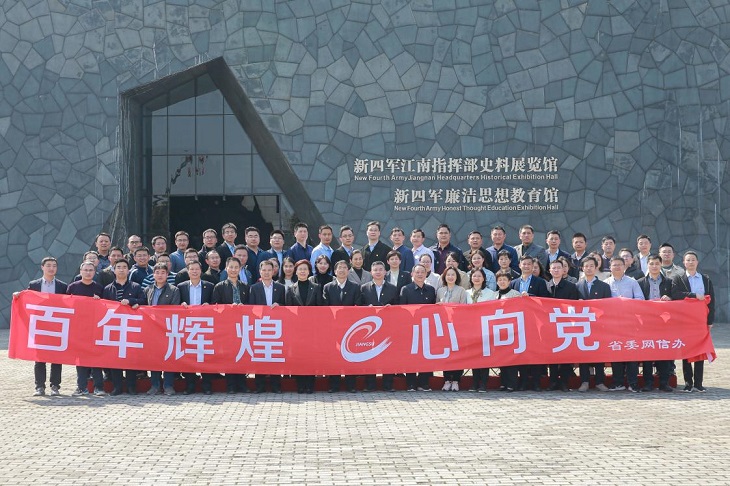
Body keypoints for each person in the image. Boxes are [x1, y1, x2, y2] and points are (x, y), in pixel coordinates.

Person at [14, 257, 68, 396]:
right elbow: (27, 299)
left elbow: (68, 304)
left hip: (56, 325)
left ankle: (55, 386)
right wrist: (18, 296)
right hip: (39, 325)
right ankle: (39, 387)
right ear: (42, 267)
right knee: (40, 358)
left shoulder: (62, 286)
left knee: (57, 357)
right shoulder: (34, 285)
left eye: (54, 266)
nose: (51, 268)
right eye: (48, 265)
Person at [671, 250, 715, 393]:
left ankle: (698, 383)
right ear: (684, 263)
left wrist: (710, 320)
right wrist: (694, 295)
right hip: (685, 321)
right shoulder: (679, 278)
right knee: (687, 351)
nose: (690, 262)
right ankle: (688, 383)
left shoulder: (705, 279)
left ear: (697, 262)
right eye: (688, 260)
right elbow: (675, 294)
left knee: (700, 351)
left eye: (693, 260)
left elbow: (712, 301)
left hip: (701, 321)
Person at [102, 258, 147, 395]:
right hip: (114, 328)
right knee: (115, 359)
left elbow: (144, 301)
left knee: (130, 358)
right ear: (114, 270)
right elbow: (103, 306)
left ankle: (131, 387)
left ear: (128, 270)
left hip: (131, 328)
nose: (121, 270)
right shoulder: (108, 289)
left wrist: (132, 301)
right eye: (118, 267)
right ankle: (117, 387)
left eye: (124, 267)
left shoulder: (136, 287)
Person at [605, 256, 645, 392]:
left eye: (619, 265)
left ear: (624, 267)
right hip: (612, 324)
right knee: (615, 352)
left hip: (630, 323)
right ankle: (618, 382)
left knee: (631, 352)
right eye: (614, 265)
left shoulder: (632, 282)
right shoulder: (605, 283)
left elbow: (640, 299)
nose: (617, 267)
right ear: (610, 267)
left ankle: (633, 382)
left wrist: (625, 302)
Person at [323, 260, 363, 393]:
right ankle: (334, 385)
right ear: (334, 271)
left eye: (344, 268)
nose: (341, 270)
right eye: (339, 268)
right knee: (334, 356)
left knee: (350, 354)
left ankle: (351, 385)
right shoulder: (328, 287)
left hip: (350, 327)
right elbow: (325, 308)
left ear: (348, 270)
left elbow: (358, 305)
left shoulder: (355, 287)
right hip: (333, 327)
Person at [67, 261, 106, 397]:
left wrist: (99, 302)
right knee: (81, 360)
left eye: (91, 270)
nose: (88, 272)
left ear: (94, 272)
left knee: (96, 359)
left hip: (95, 328)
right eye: (85, 270)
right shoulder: (73, 287)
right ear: (81, 271)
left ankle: (99, 387)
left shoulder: (99, 288)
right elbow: (67, 306)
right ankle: (81, 387)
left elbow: (106, 308)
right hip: (79, 329)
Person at [510, 256, 549, 391]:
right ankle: (523, 381)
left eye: (529, 264)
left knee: (535, 352)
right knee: (521, 352)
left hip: (534, 321)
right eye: (524, 264)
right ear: (519, 265)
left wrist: (530, 297)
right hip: (518, 322)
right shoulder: (513, 282)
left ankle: (536, 382)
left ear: (533, 267)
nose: (526, 266)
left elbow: (545, 300)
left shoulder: (540, 282)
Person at [212, 257, 250, 394]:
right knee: (229, 355)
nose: (234, 270)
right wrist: (228, 308)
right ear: (226, 269)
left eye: (236, 267)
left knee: (242, 353)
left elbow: (251, 306)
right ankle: (231, 385)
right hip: (227, 327)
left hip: (243, 326)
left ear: (240, 269)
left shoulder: (245, 286)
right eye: (231, 267)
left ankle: (242, 384)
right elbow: (215, 307)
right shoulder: (220, 286)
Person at [636, 254, 674, 392]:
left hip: (664, 322)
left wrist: (670, 298)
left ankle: (664, 382)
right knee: (648, 353)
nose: (654, 266)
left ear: (661, 265)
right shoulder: (640, 282)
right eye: (651, 264)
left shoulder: (669, 282)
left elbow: (675, 300)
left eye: (657, 264)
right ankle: (648, 382)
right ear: (647, 265)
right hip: (646, 322)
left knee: (663, 352)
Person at [359, 261, 399, 391]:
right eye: (375, 270)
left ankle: (388, 385)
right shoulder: (364, 288)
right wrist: (367, 308)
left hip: (388, 326)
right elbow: (358, 306)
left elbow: (398, 306)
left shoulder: (393, 288)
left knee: (388, 355)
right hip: (370, 328)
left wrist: (391, 308)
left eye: (380, 269)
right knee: (369, 355)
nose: (378, 272)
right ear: (371, 272)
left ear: (385, 272)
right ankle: (370, 385)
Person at [248, 260, 286, 394]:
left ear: (274, 271)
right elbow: (251, 307)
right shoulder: (254, 288)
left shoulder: (280, 287)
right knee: (260, 356)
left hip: (276, 327)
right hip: (260, 326)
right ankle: (260, 386)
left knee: (275, 356)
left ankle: (276, 386)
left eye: (269, 270)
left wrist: (279, 306)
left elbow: (286, 305)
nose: (266, 273)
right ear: (260, 272)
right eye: (264, 270)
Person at [575, 256, 612, 392]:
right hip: (583, 324)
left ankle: (599, 381)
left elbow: (607, 306)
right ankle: (584, 381)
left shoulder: (604, 286)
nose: (589, 268)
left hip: (599, 325)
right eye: (586, 266)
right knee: (583, 353)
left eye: (591, 266)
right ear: (582, 268)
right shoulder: (577, 286)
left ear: (596, 268)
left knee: (599, 353)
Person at [178, 260, 215, 395]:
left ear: (201, 271)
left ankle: (207, 386)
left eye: (197, 269)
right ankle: (190, 386)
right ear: (188, 271)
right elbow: (176, 304)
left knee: (205, 356)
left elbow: (215, 303)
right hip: (187, 326)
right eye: (192, 269)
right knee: (189, 356)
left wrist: (209, 306)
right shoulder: (181, 287)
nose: (194, 271)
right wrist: (181, 304)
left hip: (205, 325)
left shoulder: (209, 286)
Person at [285, 260, 321, 393]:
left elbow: (320, 308)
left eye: (305, 269)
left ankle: (310, 384)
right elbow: (288, 309)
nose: (302, 271)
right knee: (299, 356)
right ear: (296, 271)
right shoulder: (290, 289)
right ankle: (300, 384)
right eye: (300, 269)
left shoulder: (316, 287)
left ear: (309, 271)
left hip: (313, 328)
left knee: (311, 356)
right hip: (296, 329)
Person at [145, 262, 181, 396]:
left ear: (167, 275)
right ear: (153, 274)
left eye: (163, 273)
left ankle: (168, 385)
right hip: (152, 329)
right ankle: (155, 385)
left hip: (168, 329)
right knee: (154, 358)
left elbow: (175, 309)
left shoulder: (174, 290)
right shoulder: (148, 289)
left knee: (168, 356)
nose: (160, 275)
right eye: (157, 272)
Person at [400, 264, 437, 391]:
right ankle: (410, 383)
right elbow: (402, 309)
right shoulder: (406, 289)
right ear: (412, 274)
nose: (420, 274)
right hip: (410, 328)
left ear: (426, 274)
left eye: (422, 272)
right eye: (417, 272)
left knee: (425, 356)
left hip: (426, 328)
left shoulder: (431, 290)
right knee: (411, 356)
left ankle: (424, 383)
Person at [545, 259, 580, 392]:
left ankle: (564, 382)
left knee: (566, 354)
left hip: (566, 324)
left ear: (563, 270)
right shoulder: (546, 286)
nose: (556, 270)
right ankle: (553, 381)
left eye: (558, 268)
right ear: (550, 270)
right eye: (553, 268)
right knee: (552, 353)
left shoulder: (571, 287)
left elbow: (574, 305)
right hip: (550, 324)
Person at [436, 267, 467, 392]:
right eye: (448, 274)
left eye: (453, 274)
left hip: (457, 326)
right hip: (444, 326)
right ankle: (447, 379)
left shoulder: (461, 290)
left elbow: (463, 308)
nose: (450, 277)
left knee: (458, 353)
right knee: (446, 354)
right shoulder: (440, 291)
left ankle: (456, 380)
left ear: (456, 277)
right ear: (444, 276)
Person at [493, 270, 522, 392]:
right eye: (500, 280)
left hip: (512, 330)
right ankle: (503, 382)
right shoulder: (494, 295)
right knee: (501, 358)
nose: (502, 282)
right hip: (498, 330)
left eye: (504, 280)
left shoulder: (515, 294)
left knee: (511, 358)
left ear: (509, 281)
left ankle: (512, 383)